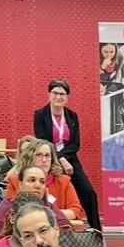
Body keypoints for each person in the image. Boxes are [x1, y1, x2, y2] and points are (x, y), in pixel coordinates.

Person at [35, 78, 101, 229]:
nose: (58, 97)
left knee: (89, 192)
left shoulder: (72, 116)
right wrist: (60, 160)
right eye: (55, 93)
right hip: (48, 160)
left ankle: (96, 230)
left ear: (67, 97)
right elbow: (43, 142)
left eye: (62, 94)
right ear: (49, 95)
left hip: (71, 159)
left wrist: (64, 158)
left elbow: (75, 143)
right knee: (54, 195)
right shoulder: (40, 114)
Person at [2, 139, 83, 221]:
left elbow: (76, 211)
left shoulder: (64, 181)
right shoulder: (15, 181)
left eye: (47, 155)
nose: (44, 160)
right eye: (39, 155)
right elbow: (8, 211)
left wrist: (45, 214)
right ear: (29, 158)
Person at [0, 165, 74, 242]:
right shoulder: (1, 216)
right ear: (20, 184)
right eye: (32, 180)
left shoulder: (58, 218)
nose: (38, 185)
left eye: (42, 182)